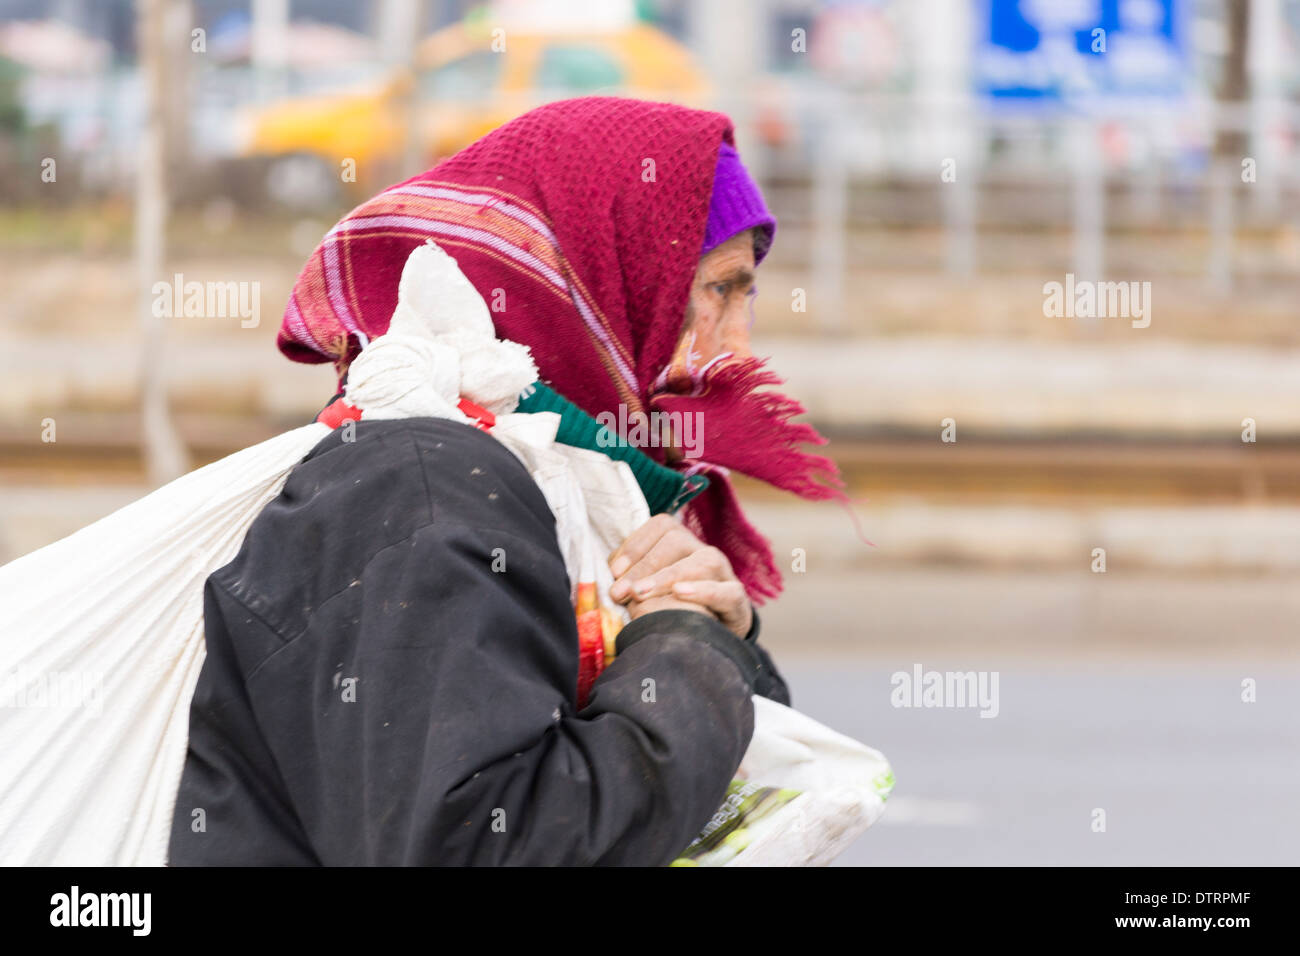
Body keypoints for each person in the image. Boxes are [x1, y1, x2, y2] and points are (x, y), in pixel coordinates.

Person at [168, 97, 844, 866]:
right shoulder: (422, 491)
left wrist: (723, 638)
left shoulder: (553, 483)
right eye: (717, 289)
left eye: (746, 293)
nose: (730, 352)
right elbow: (488, 847)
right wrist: (684, 648)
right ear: (596, 276)